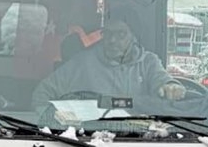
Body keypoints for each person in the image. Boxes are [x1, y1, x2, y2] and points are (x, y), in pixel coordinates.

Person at [32, 17, 186, 111]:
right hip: (87, 141)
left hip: (138, 141)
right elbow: (42, 93)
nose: (112, 40)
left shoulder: (148, 62)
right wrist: (53, 122)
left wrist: (170, 86)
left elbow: (162, 81)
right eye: (108, 33)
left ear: (134, 37)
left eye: (120, 34)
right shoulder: (82, 62)